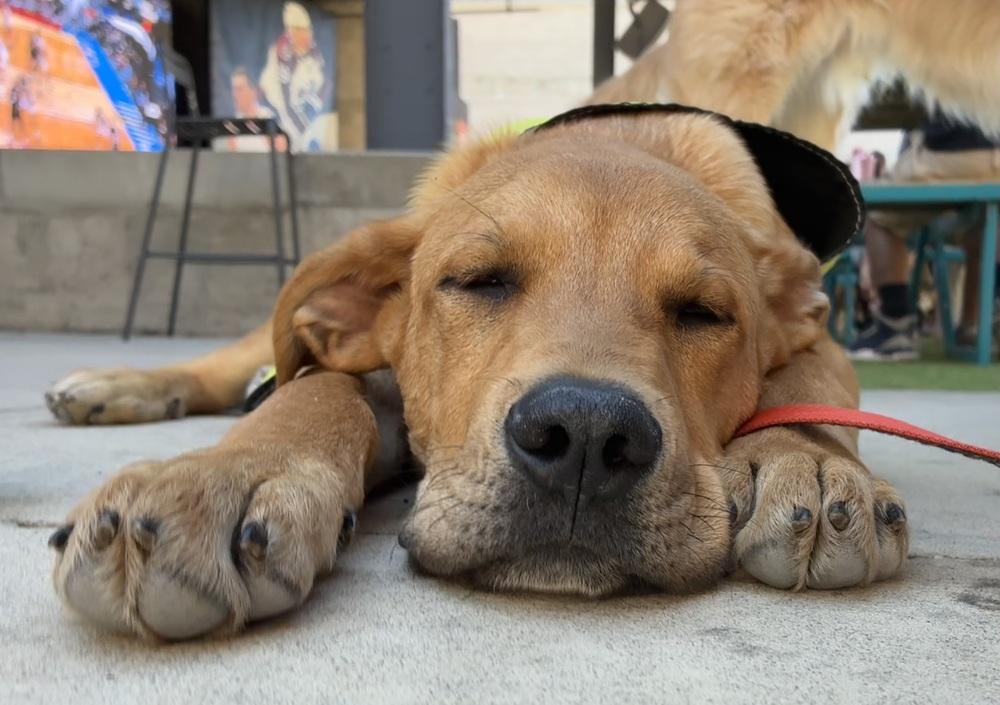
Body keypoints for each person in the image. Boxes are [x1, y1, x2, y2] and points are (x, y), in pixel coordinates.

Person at [850, 112, 1000, 360]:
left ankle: (894, 326)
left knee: (878, 212)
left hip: (952, 151)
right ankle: (972, 327)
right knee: (987, 223)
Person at [258, 1, 327, 152]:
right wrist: (300, 130)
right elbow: (284, 102)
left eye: (308, 31)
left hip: (304, 113)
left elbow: (323, 84)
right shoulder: (281, 57)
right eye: (301, 32)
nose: (307, 36)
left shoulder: (314, 53)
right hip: (280, 114)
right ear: (292, 33)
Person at [223, 66, 286, 152]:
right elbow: (232, 159)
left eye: (239, 89)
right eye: (234, 89)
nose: (235, 95)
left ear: (253, 91)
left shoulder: (266, 117)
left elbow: (282, 152)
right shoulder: (233, 125)